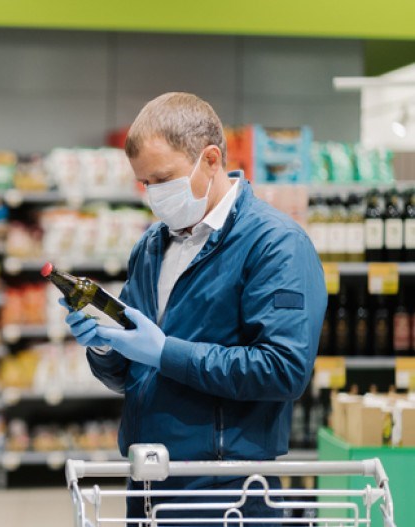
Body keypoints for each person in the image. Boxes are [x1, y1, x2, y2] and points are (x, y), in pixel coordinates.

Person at [61, 92, 326, 525]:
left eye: (163, 179)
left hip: (227, 490)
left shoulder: (275, 245)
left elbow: (283, 370)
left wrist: (166, 351)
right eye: (144, 183)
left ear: (211, 159)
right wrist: (106, 348)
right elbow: (132, 374)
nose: (153, 196)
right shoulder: (151, 246)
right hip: (147, 479)